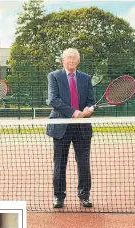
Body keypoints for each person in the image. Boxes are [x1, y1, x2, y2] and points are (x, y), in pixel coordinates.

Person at [46, 48, 95, 208]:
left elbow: (90, 100)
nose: (71, 60)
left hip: (82, 128)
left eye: (74, 58)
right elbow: (53, 100)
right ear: (63, 60)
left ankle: (84, 196)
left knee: (83, 163)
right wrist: (73, 113)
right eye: (68, 58)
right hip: (61, 127)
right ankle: (59, 197)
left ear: (78, 61)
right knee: (60, 163)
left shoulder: (86, 78)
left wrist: (89, 109)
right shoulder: (53, 76)